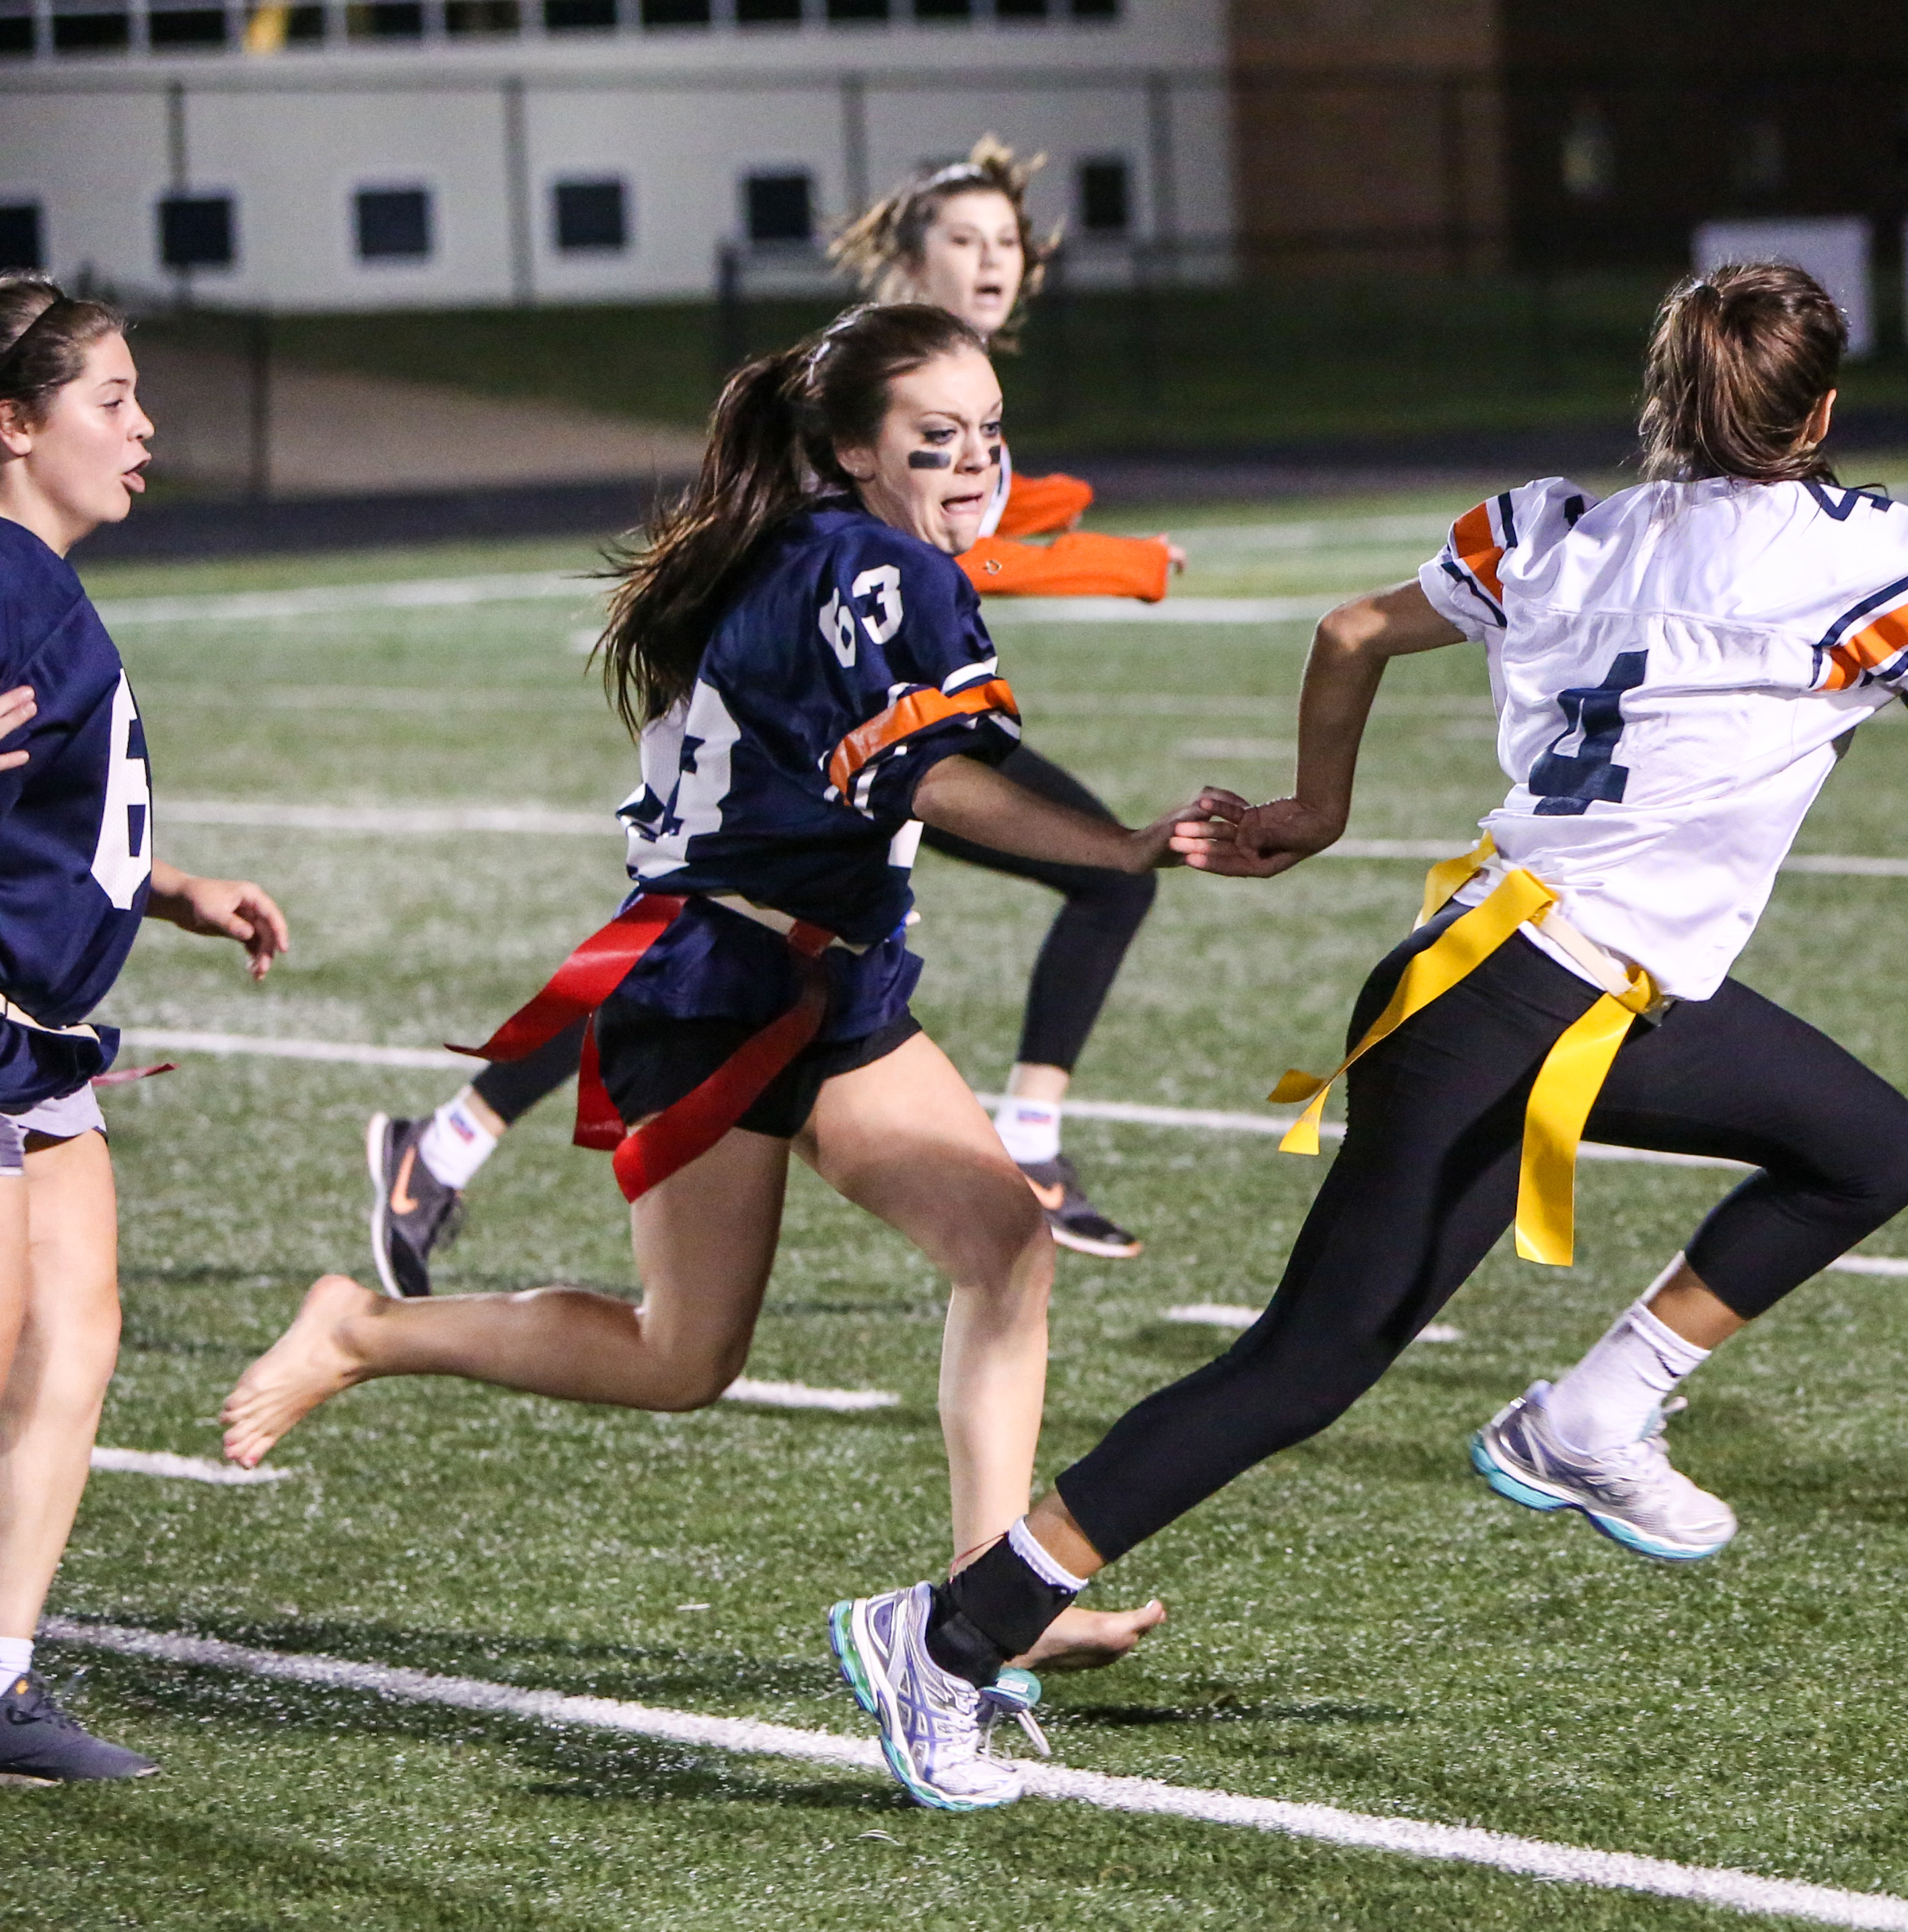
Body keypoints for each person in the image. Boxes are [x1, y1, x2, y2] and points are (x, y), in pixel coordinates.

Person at [823, 262, 1908, 1810]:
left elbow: (1352, 627)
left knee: (1322, 1358)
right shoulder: (1867, 552)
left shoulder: (1559, 524)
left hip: (1494, 970)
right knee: (1846, 1156)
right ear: (1821, 412)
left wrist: (1314, 811)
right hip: (1550, 995)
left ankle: (975, 1620)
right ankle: (962, 1631)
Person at [221, 304, 1214, 1724]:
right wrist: (1118, 846)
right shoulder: (868, 567)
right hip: (717, 986)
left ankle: (983, 1602)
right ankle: (363, 1329)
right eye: (939, 438)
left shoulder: (794, 542)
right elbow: (925, 779)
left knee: (1003, 1241)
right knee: (681, 1357)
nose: (976, 460)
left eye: (992, 432)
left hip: (815, 974)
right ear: (854, 448)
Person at [365, 140, 1177, 1295]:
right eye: (965, 240)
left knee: (718, 946)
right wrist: (1108, 560)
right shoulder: (857, 399)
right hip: (806, 733)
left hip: (863, 721)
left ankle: (446, 1145)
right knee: (713, 941)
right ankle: (1031, 1152)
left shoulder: (954, 402)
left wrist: (1062, 537)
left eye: (1007, 242)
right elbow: (849, 570)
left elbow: (946, 557)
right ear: (905, 257)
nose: (993, 261)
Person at [0, 274, 293, 1781]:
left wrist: (168, 888)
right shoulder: (1, 578)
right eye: (109, 399)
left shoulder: (36, 580)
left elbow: (42, 807)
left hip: (45, 1031)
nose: (143, 427)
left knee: (76, 1328)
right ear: (11, 421)